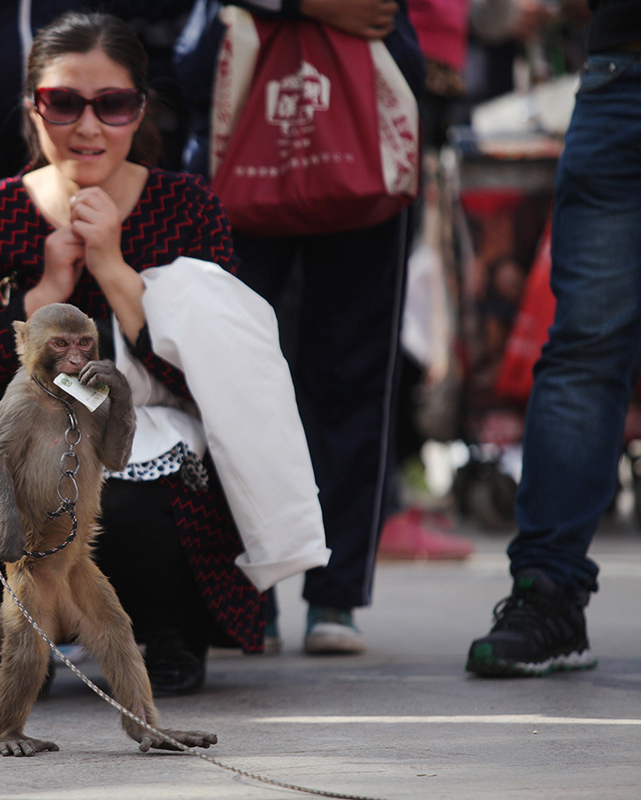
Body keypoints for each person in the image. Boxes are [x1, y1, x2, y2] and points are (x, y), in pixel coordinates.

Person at [0, 10, 327, 703]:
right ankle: (26, 633)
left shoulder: (185, 204)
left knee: (129, 469)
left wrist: (112, 268)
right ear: (32, 107)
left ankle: (171, 630)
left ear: (140, 110)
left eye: (111, 104)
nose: (87, 127)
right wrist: (43, 296)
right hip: (38, 436)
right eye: (63, 103)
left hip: (151, 436)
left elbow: (225, 383)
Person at [221, 0, 425, 655]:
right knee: (225, 373)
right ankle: (236, 592)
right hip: (245, 94)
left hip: (363, 96)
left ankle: (334, 594)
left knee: (353, 369)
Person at [466, 0, 639, 678]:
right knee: (583, 352)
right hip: (620, 73)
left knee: (583, 357)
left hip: (615, 79)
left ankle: (550, 593)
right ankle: (549, 594)